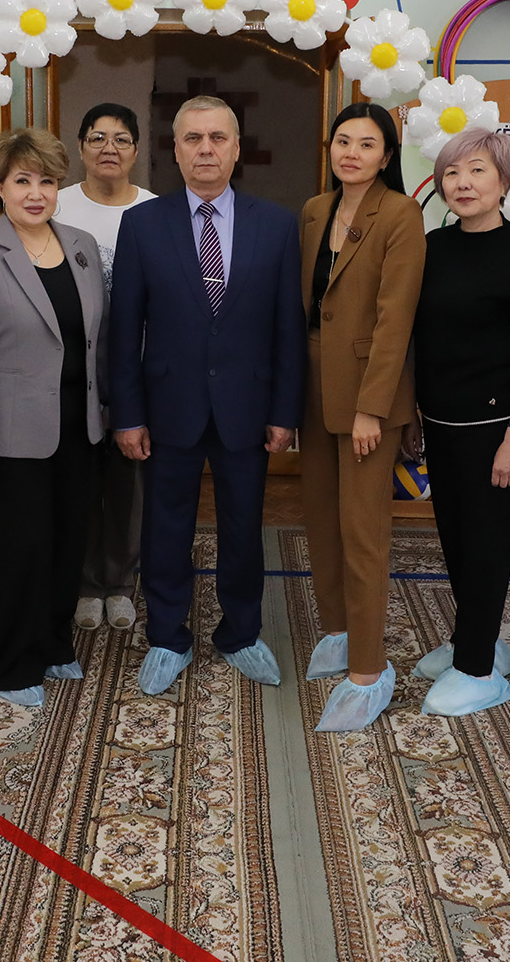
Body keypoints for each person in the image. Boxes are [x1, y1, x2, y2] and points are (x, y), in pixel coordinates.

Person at [109, 95, 305, 696]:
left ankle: (241, 633)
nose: (206, 149)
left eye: (218, 138)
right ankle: (167, 636)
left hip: (248, 407)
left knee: (244, 527)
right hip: (168, 406)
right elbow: (124, 329)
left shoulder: (277, 225)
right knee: (165, 527)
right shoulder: (143, 224)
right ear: (175, 149)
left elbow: (288, 328)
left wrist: (284, 411)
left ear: (236, 148)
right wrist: (128, 414)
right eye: (193, 138)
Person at [0, 129, 108, 707]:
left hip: (79, 427)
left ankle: (54, 643)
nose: (36, 194)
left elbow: (95, 338)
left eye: (46, 181)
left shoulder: (82, 246)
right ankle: (10, 665)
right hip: (7, 434)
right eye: (22, 181)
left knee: (68, 541)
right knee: (23, 548)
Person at [408, 127, 510, 718]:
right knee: (457, 540)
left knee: (489, 545)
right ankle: (478, 642)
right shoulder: (433, 247)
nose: (462, 183)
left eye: (477, 171)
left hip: (499, 429)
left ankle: (478, 672)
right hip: (440, 424)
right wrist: (414, 415)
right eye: (452, 172)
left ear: (504, 181)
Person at [296, 103, 424, 731]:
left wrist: (372, 408)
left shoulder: (400, 213)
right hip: (313, 384)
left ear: (387, 155)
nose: (351, 153)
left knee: (363, 531)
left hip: (369, 392)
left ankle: (369, 669)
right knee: (322, 520)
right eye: (342, 141)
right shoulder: (314, 209)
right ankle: (339, 631)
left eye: (366, 144)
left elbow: (395, 319)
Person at [53, 103, 157, 632]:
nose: (108, 148)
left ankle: (120, 582)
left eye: (120, 139)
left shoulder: (157, 211)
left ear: (136, 150)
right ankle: (86, 583)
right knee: (79, 477)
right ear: (80, 147)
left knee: (128, 480)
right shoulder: (57, 206)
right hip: (73, 367)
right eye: (97, 138)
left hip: (138, 366)